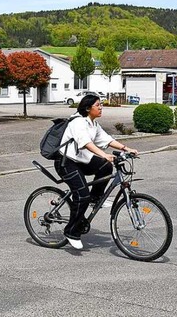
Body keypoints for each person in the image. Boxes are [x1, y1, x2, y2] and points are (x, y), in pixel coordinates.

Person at [55, 94, 138, 250]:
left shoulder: (93, 124)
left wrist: (126, 149)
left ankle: (95, 197)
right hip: (66, 163)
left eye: (101, 105)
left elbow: (107, 140)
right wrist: (104, 154)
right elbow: (85, 143)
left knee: (106, 167)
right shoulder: (78, 122)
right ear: (88, 108)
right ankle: (71, 232)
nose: (101, 107)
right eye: (98, 105)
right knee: (82, 195)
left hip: (81, 160)